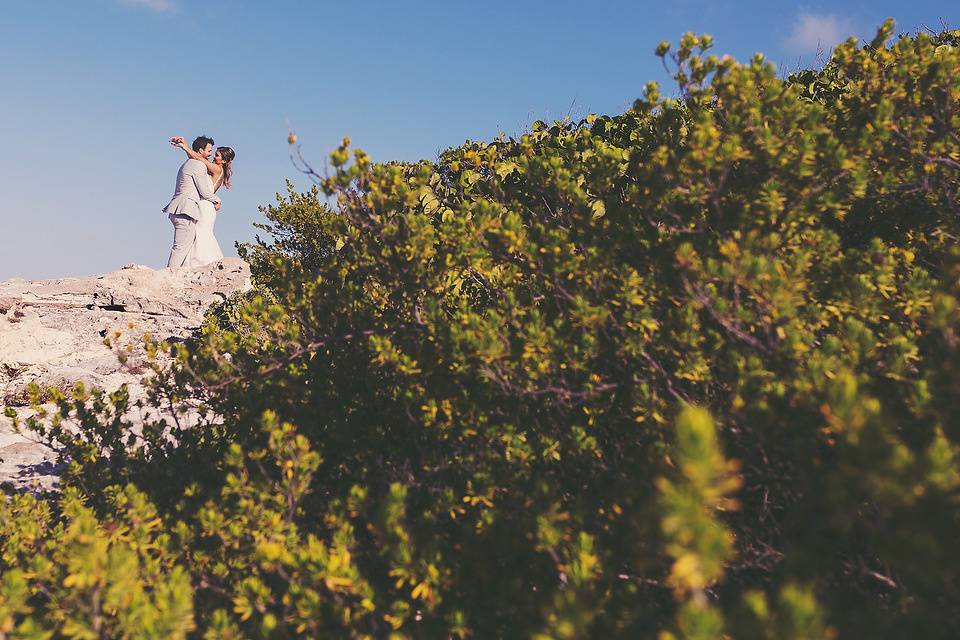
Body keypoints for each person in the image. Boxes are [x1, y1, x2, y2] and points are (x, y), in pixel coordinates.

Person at [168, 136, 236, 267]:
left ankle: (201, 263)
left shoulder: (217, 169)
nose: (213, 156)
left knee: (201, 236)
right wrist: (186, 146)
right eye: (212, 153)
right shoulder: (212, 168)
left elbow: (198, 158)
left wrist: (184, 147)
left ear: (223, 161)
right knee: (195, 237)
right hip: (202, 205)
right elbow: (196, 157)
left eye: (216, 155)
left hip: (205, 206)